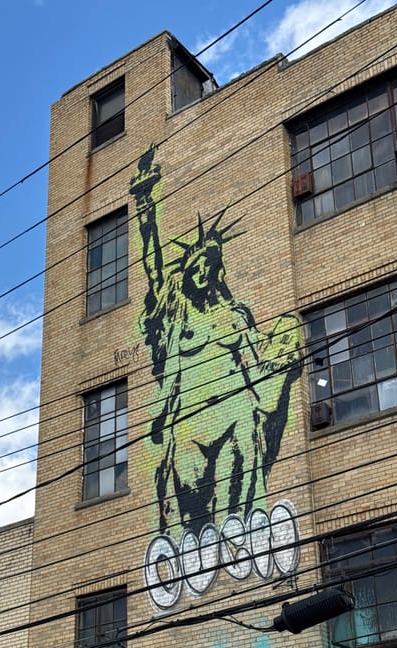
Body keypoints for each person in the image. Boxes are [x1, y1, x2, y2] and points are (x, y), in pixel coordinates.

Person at [129, 145, 302, 533]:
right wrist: (145, 206)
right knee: (184, 497)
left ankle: (247, 531)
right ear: (187, 273)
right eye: (197, 265)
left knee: (240, 463)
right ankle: (183, 547)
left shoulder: (235, 315)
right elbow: (154, 269)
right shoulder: (176, 316)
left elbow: (258, 367)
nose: (204, 271)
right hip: (188, 425)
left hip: (233, 415)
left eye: (211, 265)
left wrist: (285, 351)